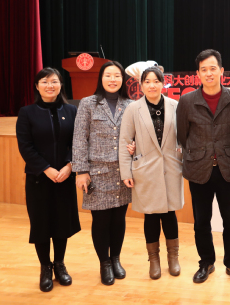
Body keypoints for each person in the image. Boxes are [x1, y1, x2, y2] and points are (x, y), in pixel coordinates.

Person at [176, 49, 230, 285]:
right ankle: (206, 262)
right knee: (201, 221)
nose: (208, 73)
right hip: (198, 168)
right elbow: (183, 135)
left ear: (221, 71)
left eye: (212, 68)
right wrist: (200, 152)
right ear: (197, 74)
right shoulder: (187, 100)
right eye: (203, 69)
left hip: (227, 168)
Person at [16, 68, 81, 292]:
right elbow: (25, 146)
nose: (50, 86)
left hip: (65, 176)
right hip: (39, 179)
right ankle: (45, 267)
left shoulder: (71, 110)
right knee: (41, 223)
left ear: (61, 85)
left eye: (54, 81)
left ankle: (60, 264)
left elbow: (77, 142)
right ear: (37, 86)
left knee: (62, 222)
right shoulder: (27, 112)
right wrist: (46, 169)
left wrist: (70, 165)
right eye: (44, 82)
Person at [119, 67, 184, 280]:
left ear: (163, 83)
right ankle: (154, 260)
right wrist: (126, 171)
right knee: (151, 215)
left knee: (170, 213)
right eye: (147, 81)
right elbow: (125, 141)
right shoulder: (133, 108)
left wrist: (182, 154)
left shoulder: (175, 105)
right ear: (141, 85)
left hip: (170, 168)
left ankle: (173, 258)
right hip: (145, 170)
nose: (152, 85)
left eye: (156, 81)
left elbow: (183, 136)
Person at [73, 61, 133, 286]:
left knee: (119, 219)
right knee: (100, 221)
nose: (112, 79)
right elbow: (80, 138)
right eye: (108, 75)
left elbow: (136, 134)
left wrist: (135, 146)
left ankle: (116, 258)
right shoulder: (88, 103)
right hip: (97, 172)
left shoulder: (130, 104)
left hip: (122, 172)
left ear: (123, 79)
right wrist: (81, 170)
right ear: (101, 78)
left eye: (117, 75)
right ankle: (104, 263)